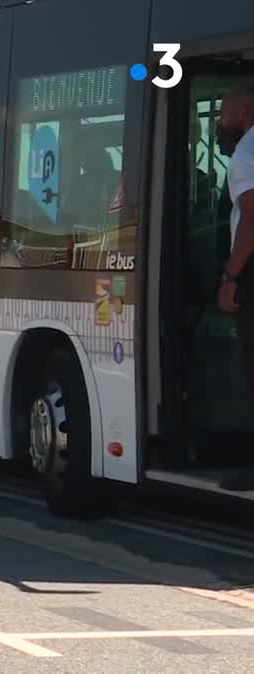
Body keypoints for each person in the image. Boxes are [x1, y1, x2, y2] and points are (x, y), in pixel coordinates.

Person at [215, 86, 254, 491]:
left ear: (245, 112)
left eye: (222, 114)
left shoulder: (246, 154)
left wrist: (232, 278)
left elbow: (251, 220)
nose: (218, 124)